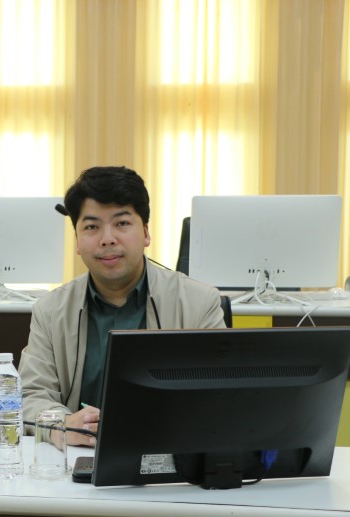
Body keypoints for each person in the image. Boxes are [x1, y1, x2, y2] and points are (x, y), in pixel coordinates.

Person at [18, 166, 225, 446]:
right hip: (79, 456)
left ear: (146, 233)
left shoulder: (199, 303)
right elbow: (31, 396)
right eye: (92, 227)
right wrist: (63, 425)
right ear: (77, 241)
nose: (107, 238)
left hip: (169, 453)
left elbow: (218, 395)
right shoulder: (50, 310)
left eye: (122, 223)